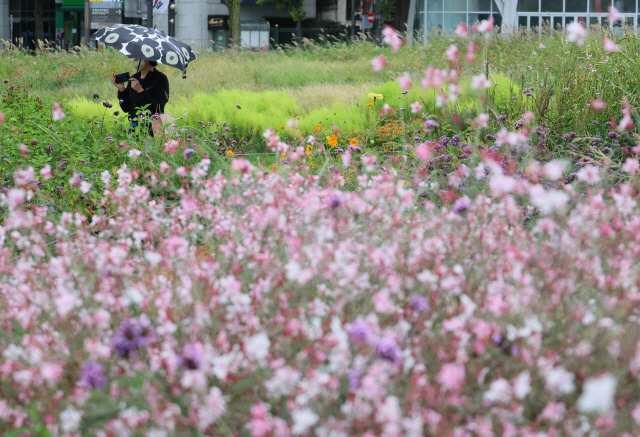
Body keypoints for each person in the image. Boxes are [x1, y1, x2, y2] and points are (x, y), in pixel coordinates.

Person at [112, 58, 169, 135]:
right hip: (134, 130)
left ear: (147, 58)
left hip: (152, 130)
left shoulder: (160, 78)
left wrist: (140, 91)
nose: (135, 60)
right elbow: (126, 108)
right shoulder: (134, 78)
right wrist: (122, 90)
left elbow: (159, 107)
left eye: (137, 58)